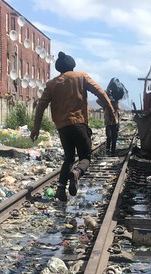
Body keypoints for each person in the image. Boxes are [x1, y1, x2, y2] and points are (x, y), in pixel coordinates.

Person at [30, 52, 116, 202]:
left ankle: (61, 190)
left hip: (63, 127)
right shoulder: (81, 76)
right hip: (79, 124)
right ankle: (76, 173)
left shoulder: (52, 84)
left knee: (68, 157)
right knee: (85, 157)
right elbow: (101, 92)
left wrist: (36, 128)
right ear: (72, 65)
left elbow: (41, 106)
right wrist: (111, 111)